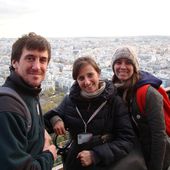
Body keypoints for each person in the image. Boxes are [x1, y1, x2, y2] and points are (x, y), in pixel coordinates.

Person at [44, 56, 137, 170]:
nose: (87, 82)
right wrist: (56, 119)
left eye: (90, 75)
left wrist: (95, 155)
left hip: (105, 164)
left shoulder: (114, 102)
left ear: (98, 74)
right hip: (75, 161)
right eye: (81, 78)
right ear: (76, 81)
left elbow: (126, 140)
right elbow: (50, 116)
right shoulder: (70, 100)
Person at [0, 32, 57, 170]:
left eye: (43, 60)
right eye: (30, 58)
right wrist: (49, 156)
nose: (37, 66)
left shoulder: (29, 92)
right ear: (15, 62)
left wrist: (52, 121)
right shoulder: (7, 108)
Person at [112, 46, 170, 170]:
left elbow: (159, 136)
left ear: (135, 67)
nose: (122, 67)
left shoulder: (148, 93)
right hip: (133, 154)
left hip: (151, 157)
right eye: (118, 62)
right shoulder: (115, 89)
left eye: (128, 62)